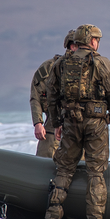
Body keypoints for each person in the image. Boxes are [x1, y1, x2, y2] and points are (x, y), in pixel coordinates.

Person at [43, 24, 110, 219]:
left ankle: (52, 217)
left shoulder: (61, 64)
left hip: (70, 122)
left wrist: (56, 123)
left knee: (64, 169)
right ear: (92, 41)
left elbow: (51, 93)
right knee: (96, 173)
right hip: (96, 124)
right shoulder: (102, 63)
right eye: (97, 39)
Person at [30, 30, 75, 158]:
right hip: (52, 127)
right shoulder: (49, 68)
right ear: (73, 46)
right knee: (46, 164)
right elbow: (36, 96)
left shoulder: (92, 68)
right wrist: (38, 123)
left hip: (79, 129)